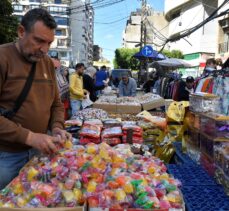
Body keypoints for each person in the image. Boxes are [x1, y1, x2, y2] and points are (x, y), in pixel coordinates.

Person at [0, 8, 71, 190]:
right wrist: (30, 137)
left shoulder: (46, 62)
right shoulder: (3, 58)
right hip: (6, 156)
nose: (44, 49)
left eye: (49, 43)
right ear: (21, 32)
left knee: (34, 200)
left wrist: (57, 128)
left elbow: (56, 103)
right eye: (39, 41)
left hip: (39, 152)